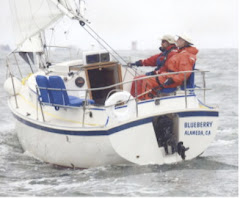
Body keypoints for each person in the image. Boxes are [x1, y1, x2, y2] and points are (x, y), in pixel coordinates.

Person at [140, 34, 199, 100]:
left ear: (184, 42)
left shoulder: (185, 55)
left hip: (174, 80)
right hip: (170, 77)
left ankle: (146, 101)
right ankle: (152, 99)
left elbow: (184, 74)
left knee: (147, 80)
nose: (176, 41)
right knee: (149, 79)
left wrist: (172, 79)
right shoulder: (182, 53)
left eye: (179, 39)